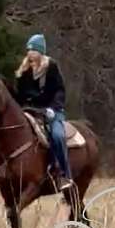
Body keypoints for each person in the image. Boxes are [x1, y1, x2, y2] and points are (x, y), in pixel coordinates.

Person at [14, 33, 72, 190]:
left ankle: (64, 175)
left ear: (41, 53)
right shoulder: (23, 71)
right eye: (28, 50)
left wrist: (53, 108)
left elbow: (60, 90)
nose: (30, 54)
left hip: (52, 111)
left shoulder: (51, 67)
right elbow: (21, 94)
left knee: (58, 136)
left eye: (33, 51)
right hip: (31, 111)